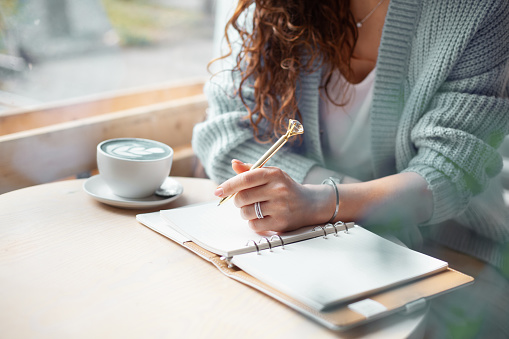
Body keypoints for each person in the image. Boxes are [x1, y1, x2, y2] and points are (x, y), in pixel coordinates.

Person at [192, 0, 509, 337]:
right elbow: (225, 134)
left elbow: (450, 169)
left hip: (447, 249)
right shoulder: (272, 5)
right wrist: (324, 198)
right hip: (307, 244)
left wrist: (320, 202)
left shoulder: (480, 9)